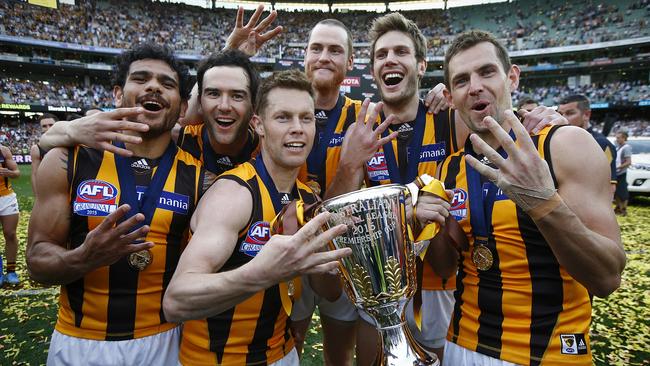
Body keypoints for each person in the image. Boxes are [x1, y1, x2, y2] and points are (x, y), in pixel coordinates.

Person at [428, 29, 625, 365]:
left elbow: (606, 277)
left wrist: (543, 203)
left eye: (486, 72)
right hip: (461, 346)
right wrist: (436, 228)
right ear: (450, 96)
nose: (474, 85)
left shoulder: (564, 145)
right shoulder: (448, 169)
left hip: (549, 352)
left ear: (513, 78)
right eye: (462, 80)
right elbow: (445, 268)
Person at [26, 42, 204, 365]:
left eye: (167, 84)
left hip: (165, 341)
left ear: (181, 110)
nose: (153, 86)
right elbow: (37, 261)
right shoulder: (69, 159)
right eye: (141, 79)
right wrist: (83, 257)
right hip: (80, 343)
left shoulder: (198, 176)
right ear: (118, 96)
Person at [162, 69, 351, 366]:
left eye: (306, 118)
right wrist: (263, 273)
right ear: (259, 126)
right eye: (283, 117)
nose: (298, 128)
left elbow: (328, 292)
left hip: (282, 354)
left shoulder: (309, 200)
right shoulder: (233, 194)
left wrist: (325, 268)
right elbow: (176, 301)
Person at [175, 49, 260, 180]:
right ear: (199, 102)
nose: (224, 106)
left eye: (237, 96)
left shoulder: (270, 152)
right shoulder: (175, 140)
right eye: (214, 94)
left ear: (253, 106)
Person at [558, 94, 617, 192]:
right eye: (560, 114)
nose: (563, 119)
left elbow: (609, 187)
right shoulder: (557, 141)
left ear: (586, 114)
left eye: (570, 113)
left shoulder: (601, 143)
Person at [0, 144, 21, 287]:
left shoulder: (3, 150)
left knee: (10, 234)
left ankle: (11, 270)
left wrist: (5, 172)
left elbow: (16, 173)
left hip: (6, 198)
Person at [30, 113, 59, 195]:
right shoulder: (36, 148)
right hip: (49, 189)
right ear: (41, 128)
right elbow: (35, 174)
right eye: (44, 126)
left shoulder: (68, 144)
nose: (48, 128)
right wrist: (37, 196)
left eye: (51, 125)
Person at [614, 130, 632, 216]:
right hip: (617, 173)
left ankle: (623, 209)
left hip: (621, 173)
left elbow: (628, 162)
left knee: (622, 192)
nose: (617, 139)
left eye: (618, 138)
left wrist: (618, 167)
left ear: (624, 138)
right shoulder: (618, 147)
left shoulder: (626, 148)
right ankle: (619, 207)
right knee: (617, 191)